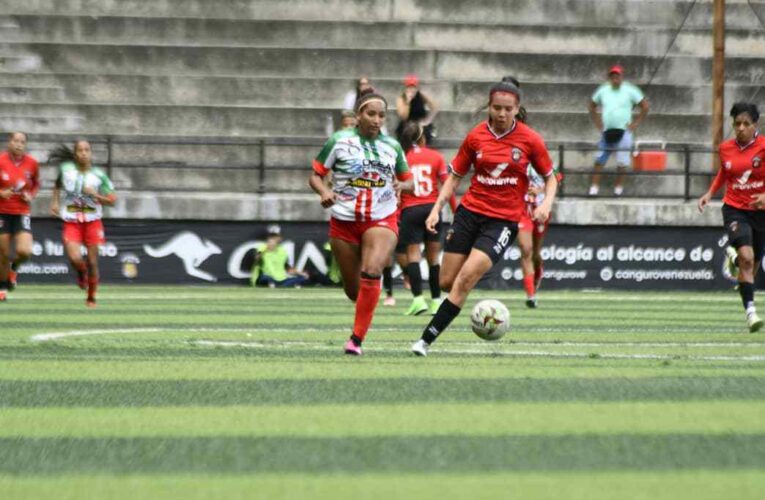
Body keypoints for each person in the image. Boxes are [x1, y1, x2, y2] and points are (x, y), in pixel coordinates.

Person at [410, 81, 557, 356]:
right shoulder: (476, 136)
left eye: (508, 109)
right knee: (446, 281)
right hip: (469, 213)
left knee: (465, 279)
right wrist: (435, 208)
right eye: (497, 108)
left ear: (517, 109)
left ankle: (424, 341)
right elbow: (454, 177)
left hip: (502, 221)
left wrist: (546, 203)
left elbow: (550, 178)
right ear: (489, 107)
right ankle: (473, 273)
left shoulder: (530, 139)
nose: (502, 113)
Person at [309, 91, 413, 355]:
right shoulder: (339, 141)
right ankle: (367, 304)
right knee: (354, 291)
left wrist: (402, 184)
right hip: (344, 221)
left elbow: (409, 180)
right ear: (358, 116)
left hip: (382, 217)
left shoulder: (393, 146)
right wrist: (324, 192)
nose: (377, 120)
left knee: (372, 270)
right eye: (371, 114)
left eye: (381, 115)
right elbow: (316, 176)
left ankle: (356, 339)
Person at [698, 102, 765, 332]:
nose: (741, 128)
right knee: (748, 257)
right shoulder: (726, 148)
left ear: (756, 124)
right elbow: (724, 172)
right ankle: (751, 314)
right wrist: (709, 193)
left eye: (746, 123)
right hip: (735, 209)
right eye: (737, 123)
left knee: (752, 264)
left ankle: (733, 259)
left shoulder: (764, 147)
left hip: (761, 213)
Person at [398, 121, 457, 315]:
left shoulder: (402, 157)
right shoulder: (435, 157)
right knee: (433, 259)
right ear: (423, 137)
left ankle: (417, 300)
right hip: (432, 210)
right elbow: (448, 187)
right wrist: (456, 212)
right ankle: (436, 301)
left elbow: (397, 189)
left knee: (413, 256)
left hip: (410, 210)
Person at [49, 140, 116, 307]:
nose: (84, 153)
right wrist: (55, 202)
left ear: (91, 153)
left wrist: (96, 195)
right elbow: (57, 185)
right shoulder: (66, 171)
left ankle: (91, 297)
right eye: (80, 150)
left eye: (87, 150)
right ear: (75, 154)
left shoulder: (99, 175)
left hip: (93, 221)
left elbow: (112, 201)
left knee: (93, 262)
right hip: (72, 221)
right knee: (74, 257)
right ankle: (81, 272)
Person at [587, 64, 649, 196]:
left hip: (624, 131)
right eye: (613, 75)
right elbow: (592, 105)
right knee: (599, 159)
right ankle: (594, 188)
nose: (615, 78)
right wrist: (598, 123)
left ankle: (618, 188)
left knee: (622, 161)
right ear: (610, 77)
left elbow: (644, 106)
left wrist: (636, 123)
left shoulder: (631, 90)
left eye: (618, 75)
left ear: (622, 76)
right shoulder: (603, 90)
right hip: (606, 131)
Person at [0, 132, 39, 301]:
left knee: (25, 251)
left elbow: (36, 183)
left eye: (22, 142)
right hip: (2, 212)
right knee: (3, 253)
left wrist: (31, 195)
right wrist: (1, 193)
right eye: (16, 141)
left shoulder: (32, 163)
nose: (18, 144)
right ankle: (2, 288)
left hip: (22, 211)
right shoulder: (1, 161)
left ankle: (14, 269)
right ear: (10, 142)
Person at [395, 74, 439, 145]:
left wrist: (427, 121)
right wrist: (407, 102)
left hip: (420, 124)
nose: (411, 90)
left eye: (413, 87)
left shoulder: (421, 95)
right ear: (406, 88)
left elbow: (434, 107)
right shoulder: (401, 99)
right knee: (406, 133)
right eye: (409, 87)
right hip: (407, 124)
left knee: (424, 133)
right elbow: (403, 117)